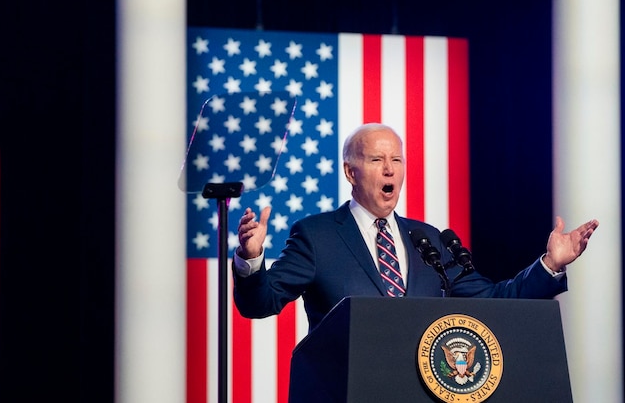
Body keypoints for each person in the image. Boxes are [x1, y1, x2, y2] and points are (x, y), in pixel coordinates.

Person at [233, 123, 598, 332]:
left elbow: (492, 302)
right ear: (350, 172)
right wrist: (251, 261)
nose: (390, 169)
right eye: (377, 159)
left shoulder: (427, 239)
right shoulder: (316, 235)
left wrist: (549, 265)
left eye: (397, 159)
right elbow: (261, 303)